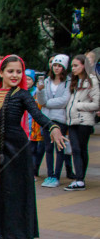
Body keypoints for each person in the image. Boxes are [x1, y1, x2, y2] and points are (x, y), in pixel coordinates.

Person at [0, 55, 66, 239]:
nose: (15, 75)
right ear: (1, 73)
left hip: (16, 150)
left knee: (14, 193)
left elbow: (38, 114)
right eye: (10, 71)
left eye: (19, 72)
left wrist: (52, 127)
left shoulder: (23, 95)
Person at [64, 54, 100, 191]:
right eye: (72, 66)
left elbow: (96, 104)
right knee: (76, 149)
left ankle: (80, 179)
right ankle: (79, 179)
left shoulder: (92, 81)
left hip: (85, 121)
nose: (73, 68)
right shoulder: (73, 81)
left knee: (82, 149)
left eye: (76, 65)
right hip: (72, 120)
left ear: (84, 66)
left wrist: (79, 106)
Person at [36, 55, 71, 187]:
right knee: (48, 147)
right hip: (46, 118)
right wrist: (40, 92)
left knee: (59, 148)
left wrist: (47, 103)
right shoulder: (46, 81)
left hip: (60, 119)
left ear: (64, 68)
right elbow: (41, 101)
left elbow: (64, 100)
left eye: (59, 66)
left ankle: (57, 175)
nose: (56, 68)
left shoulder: (68, 81)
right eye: (55, 65)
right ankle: (50, 175)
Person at [26, 69, 46, 177]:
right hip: (23, 126)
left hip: (34, 126)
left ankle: (33, 170)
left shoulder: (36, 92)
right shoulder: (20, 91)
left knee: (33, 149)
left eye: (29, 79)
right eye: (25, 79)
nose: (27, 81)